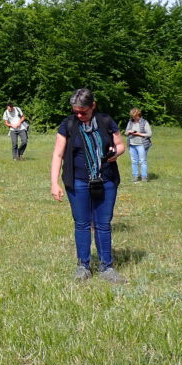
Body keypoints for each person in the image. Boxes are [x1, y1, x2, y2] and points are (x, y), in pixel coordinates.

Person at [50, 88, 126, 283]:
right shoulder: (68, 125)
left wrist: (114, 154)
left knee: (103, 224)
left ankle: (106, 267)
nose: (79, 115)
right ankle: (83, 266)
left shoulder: (106, 122)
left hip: (106, 181)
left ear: (93, 105)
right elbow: (58, 154)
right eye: (76, 111)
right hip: (78, 182)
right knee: (82, 224)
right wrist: (54, 183)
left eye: (83, 111)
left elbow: (121, 145)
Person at [124, 108, 153, 182]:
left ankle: (144, 177)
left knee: (142, 161)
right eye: (132, 116)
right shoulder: (130, 122)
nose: (133, 117)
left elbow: (149, 134)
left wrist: (138, 134)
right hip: (132, 144)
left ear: (138, 115)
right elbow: (126, 132)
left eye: (134, 116)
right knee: (134, 161)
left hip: (141, 144)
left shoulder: (144, 122)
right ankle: (135, 176)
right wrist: (129, 131)